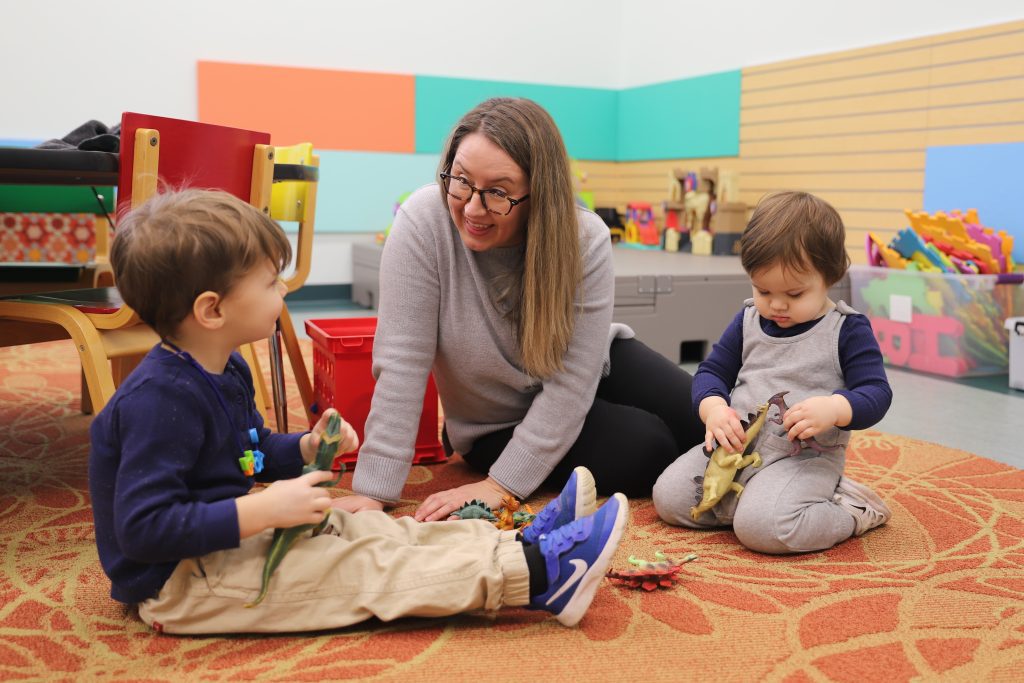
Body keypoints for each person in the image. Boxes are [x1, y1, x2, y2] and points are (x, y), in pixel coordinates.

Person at [88, 189, 629, 633]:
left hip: (224, 541)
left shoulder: (223, 368)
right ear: (213, 310)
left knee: (365, 530)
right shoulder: (159, 401)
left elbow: (248, 449)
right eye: (270, 282)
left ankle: (512, 542)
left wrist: (298, 448)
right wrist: (262, 511)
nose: (282, 294)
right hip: (180, 583)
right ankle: (535, 573)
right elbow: (143, 529)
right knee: (364, 568)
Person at [333, 97, 704, 521]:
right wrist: (377, 490)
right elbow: (401, 361)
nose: (473, 208)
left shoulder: (585, 237)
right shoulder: (423, 222)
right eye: (461, 181)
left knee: (703, 414)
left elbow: (574, 379)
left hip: (589, 368)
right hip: (497, 421)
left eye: (497, 193)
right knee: (649, 447)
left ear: (537, 194)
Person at [652, 191, 894, 554]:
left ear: (831, 276)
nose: (777, 304)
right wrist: (714, 409)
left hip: (804, 460)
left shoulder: (847, 329)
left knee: (765, 530)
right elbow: (711, 372)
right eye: (763, 289)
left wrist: (835, 408)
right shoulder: (749, 318)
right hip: (735, 451)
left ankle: (851, 510)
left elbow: (876, 392)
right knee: (668, 498)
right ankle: (758, 502)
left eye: (795, 294)